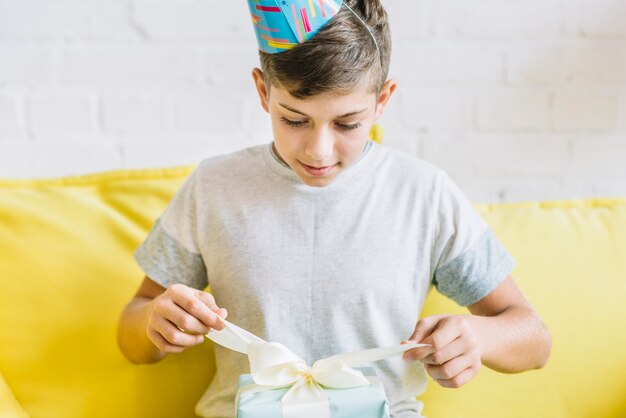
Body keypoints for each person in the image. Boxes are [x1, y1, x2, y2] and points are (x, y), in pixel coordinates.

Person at [117, 1, 552, 417]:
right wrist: (156, 322)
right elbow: (132, 333)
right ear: (262, 91)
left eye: (347, 123)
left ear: (382, 100)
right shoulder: (214, 188)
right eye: (294, 119)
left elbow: (534, 339)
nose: (319, 151)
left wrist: (478, 336)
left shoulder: (423, 195)